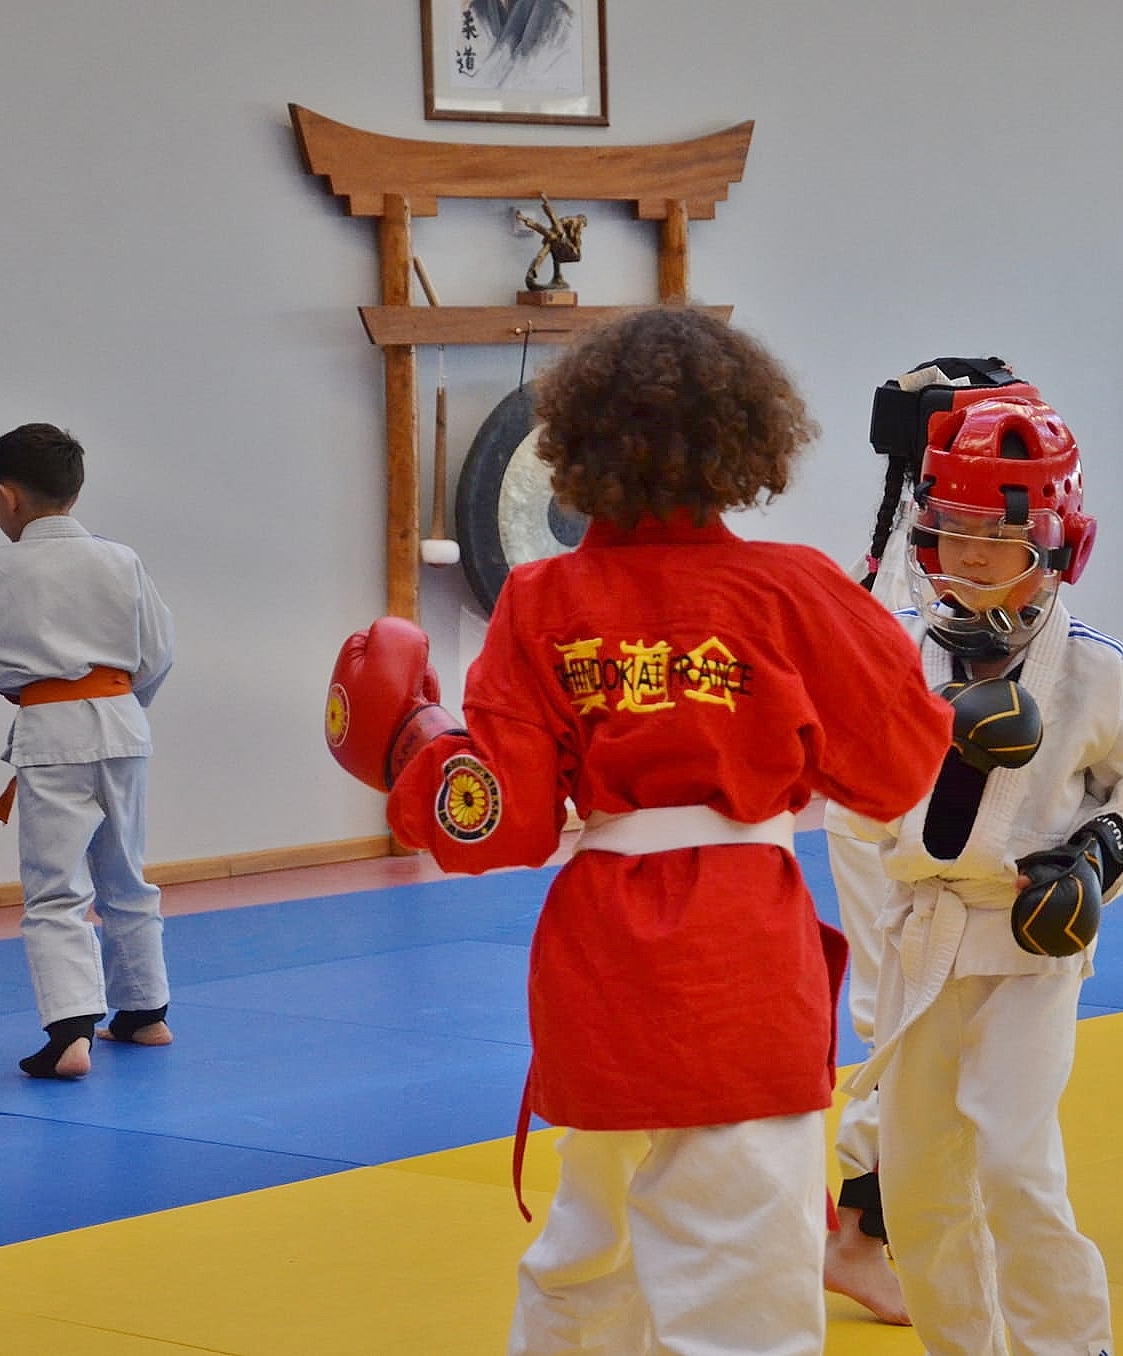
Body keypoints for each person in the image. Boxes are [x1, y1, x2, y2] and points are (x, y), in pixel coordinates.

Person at [322, 306, 953, 1356]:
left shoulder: (539, 599)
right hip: (743, 950)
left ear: (577, 444)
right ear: (743, 443)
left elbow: (507, 825)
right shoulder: (793, 588)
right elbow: (896, 776)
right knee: (743, 1250)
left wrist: (415, 750)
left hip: (602, 950)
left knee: (592, 1243)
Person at [837, 388, 1123, 1356]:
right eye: (954, 530)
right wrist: (944, 757)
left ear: (1059, 542)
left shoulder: (1094, 672)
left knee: (1017, 1167)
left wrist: (1100, 860)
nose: (970, 555)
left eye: (995, 534)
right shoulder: (896, 654)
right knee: (921, 1184)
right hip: (920, 940)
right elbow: (853, 804)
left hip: (1027, 944)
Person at [0, 423, 176, 1079]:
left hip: (55, 731)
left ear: (7, 497)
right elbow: (160, 652)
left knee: (55, 891)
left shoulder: (1, 567)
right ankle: (145, 1013)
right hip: (125, 724)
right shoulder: (121, 559)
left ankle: (70, 1034)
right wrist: (125, 707)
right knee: (126, 875)